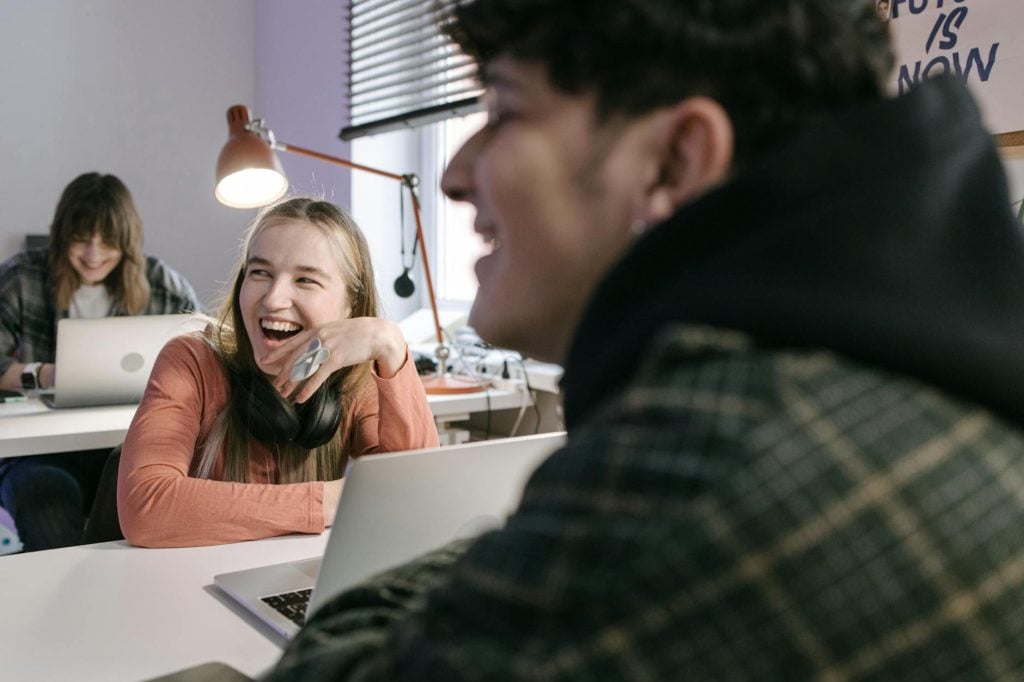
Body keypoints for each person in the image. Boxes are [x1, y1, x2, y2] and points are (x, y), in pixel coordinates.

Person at [261, 0, 1024, 679]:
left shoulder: (705, 470)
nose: (457, 173)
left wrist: (512, 539)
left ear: (674, 162)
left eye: (503, 111)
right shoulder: (895, 367)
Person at [117, 197, 439, 547]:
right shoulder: (191, 361)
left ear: (351, 305)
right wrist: (335, 500)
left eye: (305, 280)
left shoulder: (358, 380)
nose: (273, 299)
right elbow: (146, 508)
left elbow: (414, 498)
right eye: (260, 273)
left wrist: (390, 344)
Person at [0, 172, 201, 552]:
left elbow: (207, 354)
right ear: (61, 235)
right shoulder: (23, 276)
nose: (94, 253)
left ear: (128, 241)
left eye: (108, 240)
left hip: (126, 446)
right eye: (80, 238)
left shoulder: (162, 283)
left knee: (137, 521)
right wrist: (44, 375)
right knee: (50, 517)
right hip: (35, 454)